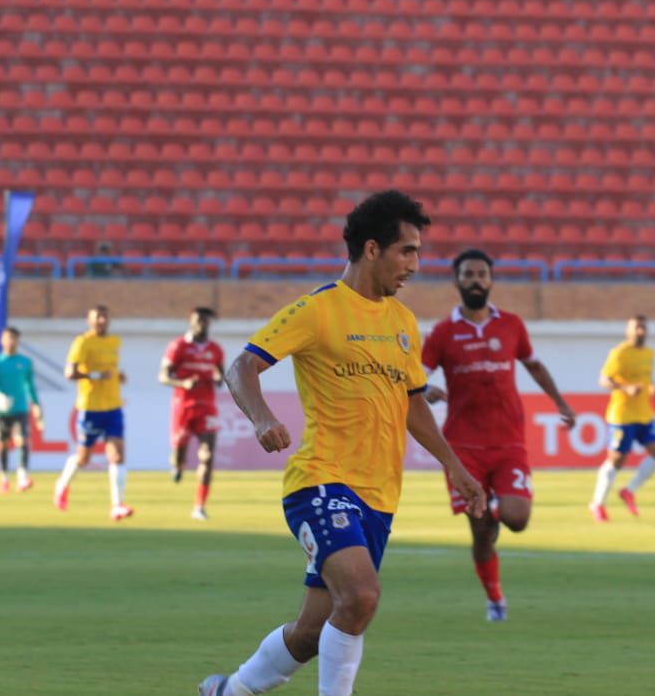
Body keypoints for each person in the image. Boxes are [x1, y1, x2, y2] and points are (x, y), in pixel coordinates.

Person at [197, 190, 486, 696]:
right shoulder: (318, 309)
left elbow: (413, 404)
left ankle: (230, 691)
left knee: (312, 631)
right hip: (320, 482)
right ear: (372, 249)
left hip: (379, 495)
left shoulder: (402, 322)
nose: (415, 265)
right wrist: (262, 418)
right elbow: (242, 366)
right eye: (407, 251)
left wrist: (454, 467)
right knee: (360, 595)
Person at [421, 247, 576, 621]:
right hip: (462, 446)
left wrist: (560, 402)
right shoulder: (442, 332)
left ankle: (493, 506)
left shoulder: (511, 325)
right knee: (480, 532)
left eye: (481, 275)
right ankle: (494, 598)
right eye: (469, 275)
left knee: (517, 519)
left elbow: (533, 365)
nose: (476, 281)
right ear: (457, 281)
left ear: (490, 280)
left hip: (509, 441)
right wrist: (426, 390)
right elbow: (415, 377)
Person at [54, 305, 132, 521]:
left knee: (117, 455)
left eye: (104, 317)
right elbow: (69, 373)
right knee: (83, 458)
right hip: (90, 407)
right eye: (97, 317)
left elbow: (111, 369)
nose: (101, 321)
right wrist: (96, 376)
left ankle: (117, 505)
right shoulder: (82, 342)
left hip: (113, 406)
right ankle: (62, 484)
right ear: (89, 320)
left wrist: (118, 376)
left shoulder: (114, 342)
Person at [589, 315, 655, 522]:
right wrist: (625, 388)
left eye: (643, 327)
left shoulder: (650, 354)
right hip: (622, 416)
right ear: (628, 331)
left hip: (645, 414)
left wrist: (653, 388)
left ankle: (629, 490)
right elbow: (603, 380)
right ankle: (597, 503)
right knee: (616, 461)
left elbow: (647, 378)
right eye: (636, 327)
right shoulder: (619, 353)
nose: (640, 331)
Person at [160, 306, 224, 520]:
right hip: (183, 405)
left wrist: (218, 379)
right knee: (180, 452)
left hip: (207, 407)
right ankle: (177, 465)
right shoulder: (178, 346)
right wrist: (183, 383)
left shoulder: (216, 349)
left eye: (205, 320)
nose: (201, 324)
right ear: (191, 321)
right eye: (198, 320)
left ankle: (199, 507)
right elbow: (163, 376)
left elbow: (221, 376)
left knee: (207, 456)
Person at [0, 326, 42, 495]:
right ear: (1, 340)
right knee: (2, 443)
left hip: (20, 408)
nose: (10, 342)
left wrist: (36, 404)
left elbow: (30, 386)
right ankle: (3, 478)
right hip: (1, 411)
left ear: (18, 341)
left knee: (22, 440)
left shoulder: (25, 362)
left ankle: (22, 476)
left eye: (14, 338)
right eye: (7, 338)